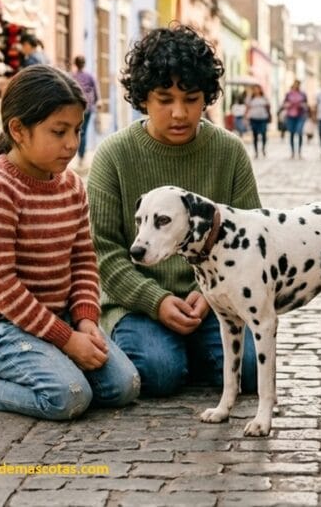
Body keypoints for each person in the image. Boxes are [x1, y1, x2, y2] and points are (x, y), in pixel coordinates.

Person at [0, 65, 140, 419]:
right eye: (58, 132)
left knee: (125, 386)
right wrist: (67, 340)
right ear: (18, 130)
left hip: (59, 318)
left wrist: (86, 320)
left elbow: (83, 260)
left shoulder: (71, 186)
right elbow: (0, 286)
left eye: (76, 130)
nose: (72, 143)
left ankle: (49, 360)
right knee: (68, 397)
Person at [86, 25, 261, 397]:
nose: (179, 113)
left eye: (191, 99)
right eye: (164, 99)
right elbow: (103, 252)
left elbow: (250, 240)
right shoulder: (113, 155)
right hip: (137, 304)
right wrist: (157, 300)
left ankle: (192, 351)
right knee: (159, 371)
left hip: (215, 300)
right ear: (143, 98)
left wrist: (209, 293)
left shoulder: (229, 152)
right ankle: (173, 354)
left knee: (251, 371)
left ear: (206, 98)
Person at [71, 55, 99, 163]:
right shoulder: (90, 76)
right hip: (88, 107)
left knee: (78, 130)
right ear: (84, 64)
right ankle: (81, 154)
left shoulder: (72, 77)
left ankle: (79, 153)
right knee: (83, 131)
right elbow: (96, 91)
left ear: (75, 64)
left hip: (75, 108)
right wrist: (96, 102)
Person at [281, 79, 308, 158]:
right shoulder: (288, 94)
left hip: (300, 115)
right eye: (295, 84)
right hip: (290, 115)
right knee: (292, 133)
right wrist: (289, 104)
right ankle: (292, 152)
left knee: (299, 132)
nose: (296, 86)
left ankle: (299, 151)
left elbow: (306, 105)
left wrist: (301, 105)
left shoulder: (303, 94)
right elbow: (284, 104)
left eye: (298, 84)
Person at [246, 84, 271, 158]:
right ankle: (256, 151)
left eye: (257, 89)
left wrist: (269, 115)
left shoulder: (264, 98)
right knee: (255, 135)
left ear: (260, 90)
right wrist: (245, 117)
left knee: (264, 134)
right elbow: (247, 108)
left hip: (263, 118)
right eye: (254, 89)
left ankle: (263, 148)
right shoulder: (250, 98)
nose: (256, 90)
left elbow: (268, 107)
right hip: (253, 118)